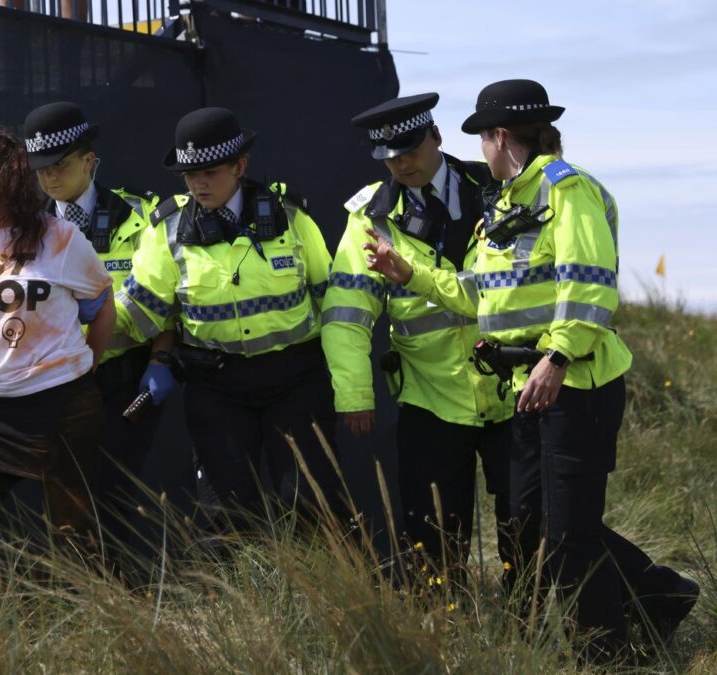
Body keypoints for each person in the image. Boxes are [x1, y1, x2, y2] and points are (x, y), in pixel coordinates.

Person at [364, 79, 698, 659]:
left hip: (577, 384)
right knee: (537, 525)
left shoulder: (568, 192)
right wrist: (410, 275)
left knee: (565, 538)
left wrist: (559, 355)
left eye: (483, 139)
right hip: (530, 388)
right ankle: (659, 597)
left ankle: (607, 655)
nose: (480, 152)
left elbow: (590, 284)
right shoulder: (510, 202)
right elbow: (483, 294)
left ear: (499, 137)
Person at [323, 93, 537, 587]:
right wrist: (355, 393)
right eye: (389, 157)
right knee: (432, 537)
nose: (402, 163)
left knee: (529, 524)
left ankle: (530, 629)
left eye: (411, 150)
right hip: (431, 399)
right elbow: (347, 316)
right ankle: (442, 638)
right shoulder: (370, 220)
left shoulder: (499, 190)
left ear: (436, 137)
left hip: (514, 391)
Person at [117, 106, 345, 530]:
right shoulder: (165, 230)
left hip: (295, 379)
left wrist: (351, 387)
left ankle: (328, 594)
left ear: (241, 166)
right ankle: (239, 598)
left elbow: (330, 300)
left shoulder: (290, 217)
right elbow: (138, 311)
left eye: (209, 172)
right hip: (216, 385)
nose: (197, 183)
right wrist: (74, 323)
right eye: (189, 175)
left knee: (310, 503)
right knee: (225, 513)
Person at [0, 124, 115, 579]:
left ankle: (95, 632)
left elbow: (101, 306)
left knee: (73, 538)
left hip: (61, 409)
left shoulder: (59, 238)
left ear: (3, 180)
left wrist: (84, 367)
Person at [23, 101, 169, 558]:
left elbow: (170, 299)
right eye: (40, 169)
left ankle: (120, 603)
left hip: (124, 380)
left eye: (60, 166)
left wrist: (162, 358)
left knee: (112, 499)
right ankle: (82, 608)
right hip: (56, 386)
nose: (49, 178)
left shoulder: (144, 215)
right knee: (65, 505)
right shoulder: (26, 229)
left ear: (90, 160)